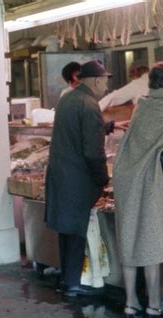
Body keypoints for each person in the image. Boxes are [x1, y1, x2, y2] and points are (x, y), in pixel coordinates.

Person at [112, 63, 163, 318]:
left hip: (125, 177)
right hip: (150, 180)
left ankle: (131, 302)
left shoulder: (142, 105)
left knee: (129, 238)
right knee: (151, 241)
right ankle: (154, 304)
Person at [45, 60, 111, 298]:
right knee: (76, 231)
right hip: (78, 178)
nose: (106, 87)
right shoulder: (90, 104)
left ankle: (67, 278)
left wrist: (109, 126)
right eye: (104, 81)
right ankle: (73, 284)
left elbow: (77, 129)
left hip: (61, 174)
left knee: (67, 231)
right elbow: (94, 152)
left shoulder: (68, 99)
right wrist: (103, 179)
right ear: (95, 81)